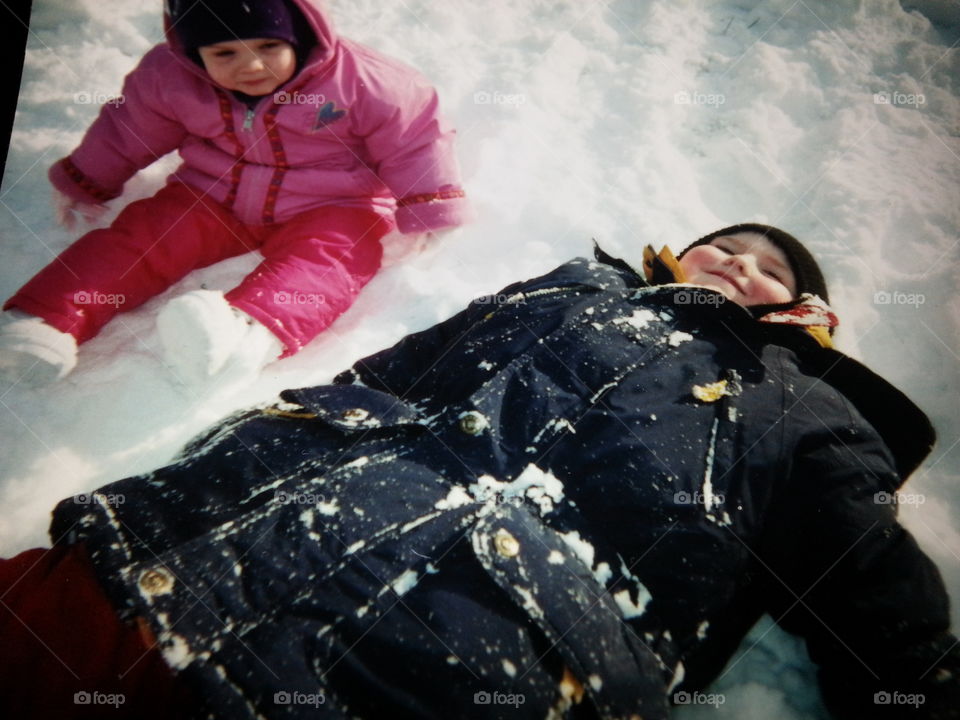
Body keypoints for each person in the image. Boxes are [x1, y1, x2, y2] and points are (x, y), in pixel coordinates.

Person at [1, 224, 957, 719]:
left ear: (804, 317)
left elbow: (860, 564)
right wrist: (273, 429)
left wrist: (916, 679)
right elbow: (403, 366)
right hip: (217, 539)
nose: (741, 265)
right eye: (726, 247)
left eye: (770, 272)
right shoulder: (574, 288)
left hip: (461, 651)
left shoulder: (806, 407)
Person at [0, 0, 470, 388]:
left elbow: (415, 138)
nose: (252, 66)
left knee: (331, 259)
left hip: (332, 204)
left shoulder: (366, 82)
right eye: (224, 54)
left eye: (269, 46)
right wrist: (87, 178)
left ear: (301, 34)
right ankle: (45, 322)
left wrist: (427, 206)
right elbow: (128, 128)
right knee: (140, 239)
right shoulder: (170, 77)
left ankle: (244, 335)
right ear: (191, 51)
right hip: (212, 194)